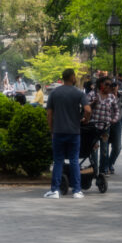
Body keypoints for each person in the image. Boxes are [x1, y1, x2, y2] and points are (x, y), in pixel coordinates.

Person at [44, 68, 90, 199]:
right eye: (74, 76)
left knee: (58, 160)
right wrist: (86, 119)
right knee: (74, 160)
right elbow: (87, 109)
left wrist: (51, 129)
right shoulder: (78, 93)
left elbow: (49, 113)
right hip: (74, 132)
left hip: (58, 131)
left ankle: (55, 190)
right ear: (72, 77)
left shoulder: (54, 93)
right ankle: (77, 190)